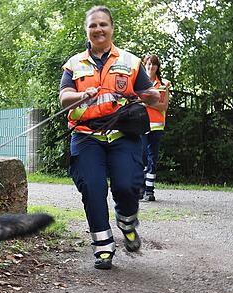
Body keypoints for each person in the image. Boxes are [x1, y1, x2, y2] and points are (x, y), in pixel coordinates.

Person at [59, 5, 167, 270]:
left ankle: (127, 222)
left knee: (127, 186)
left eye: (103, 24)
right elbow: (64, 98)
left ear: (111, 28)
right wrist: (80, 95)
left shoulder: (131, 62)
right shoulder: (74, 64)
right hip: (86, 136)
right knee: (93, 188)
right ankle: (103, 246)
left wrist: (154, 97)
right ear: (86, 30)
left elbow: (156, 100)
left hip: (123, 134)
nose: (98, 29)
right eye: (93, 25)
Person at [140, 54, 171, 202]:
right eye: (148, 64)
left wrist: (148, 104)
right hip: (140, 124)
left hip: (156, 126)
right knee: (141, 157)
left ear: (157, 67)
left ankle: (149, 191)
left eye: (154, 64)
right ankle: (140, 189)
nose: (151, 67)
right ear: (144, 65)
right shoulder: (138, 83)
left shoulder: (164, 84)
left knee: (152, 158)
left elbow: (164, 106)